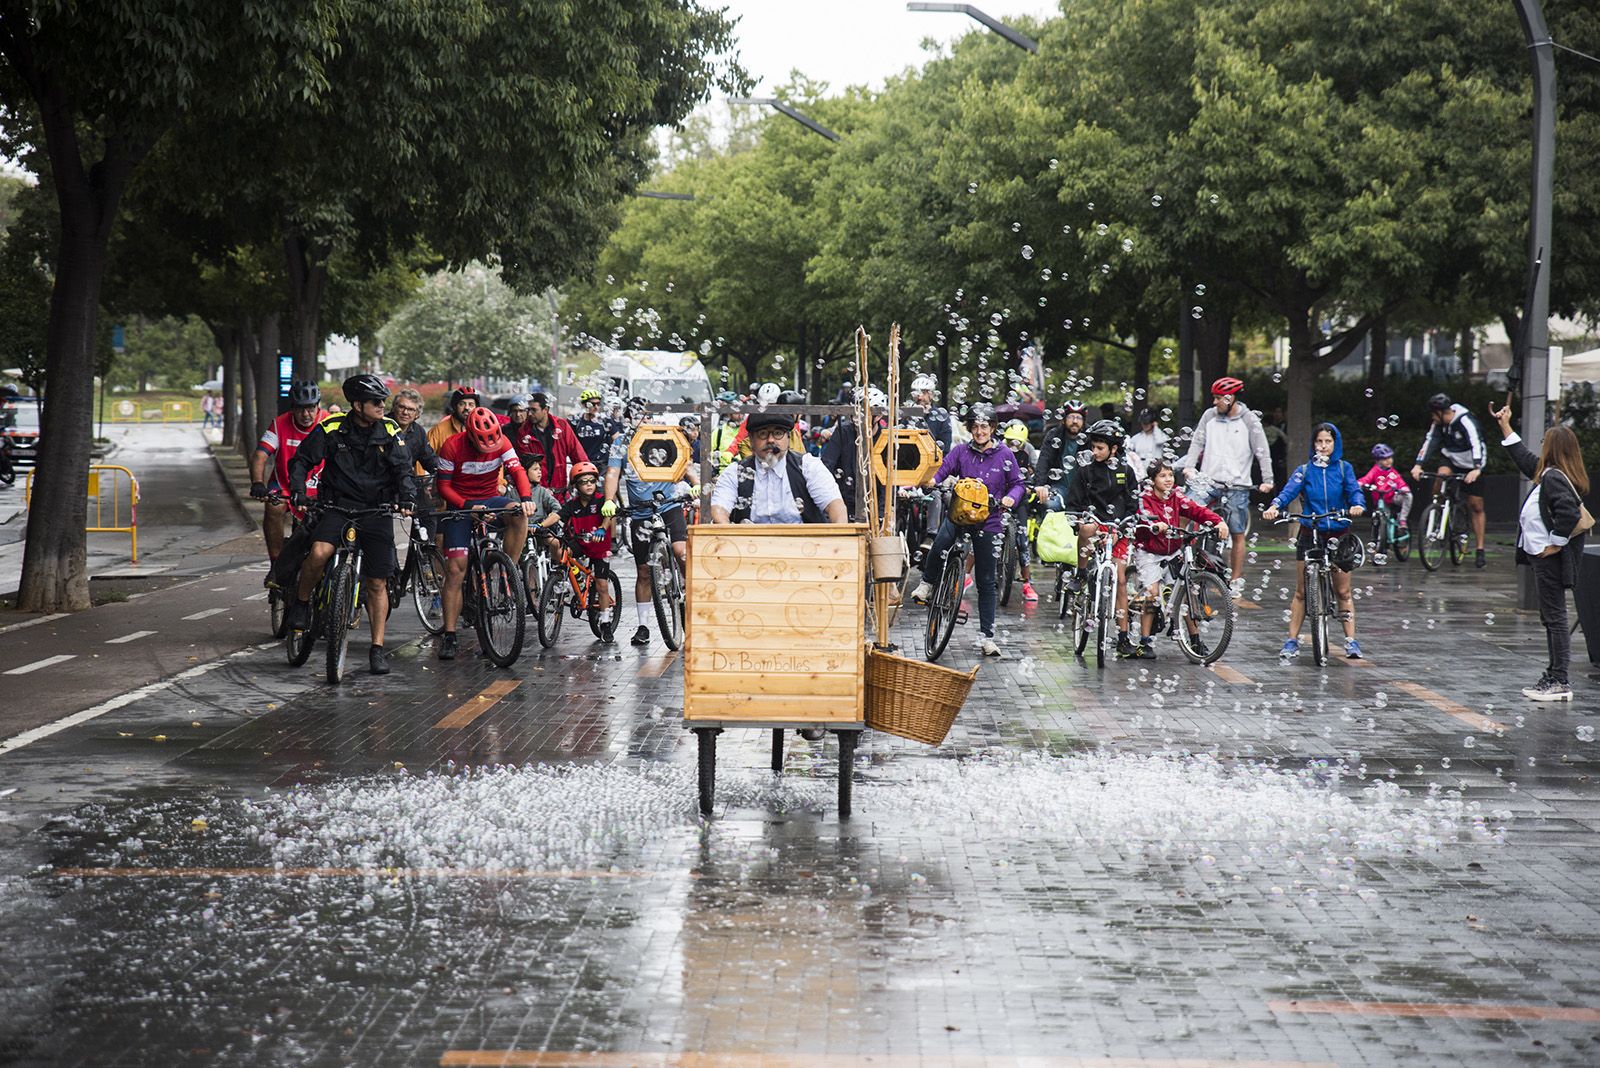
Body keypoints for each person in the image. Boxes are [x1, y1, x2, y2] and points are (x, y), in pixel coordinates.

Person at [286, 374, 415, 676]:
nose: (383, 406)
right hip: (338, 507)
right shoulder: (331, 427)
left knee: (377, 582)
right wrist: (299, 491)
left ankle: (377, 648)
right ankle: (302, 604)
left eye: (383, 401)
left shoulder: (390, 429)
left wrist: (407, 497)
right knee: (318, 553)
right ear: (357, 405)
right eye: (375, 402)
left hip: (376, 510)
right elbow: (302, 460)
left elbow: (403, 469)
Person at [1489, 398, 1591, 701]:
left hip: (1550, 557)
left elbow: (1569, 513)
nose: (1542, 446)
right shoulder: (1550, 473)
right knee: (1552, 617)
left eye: (1546, 442)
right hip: (1542, 555)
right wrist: (1505, 425)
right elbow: (1523, 458)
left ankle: (1559, 680)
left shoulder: (1556, 477)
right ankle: (1553, 675)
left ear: (1554, 448)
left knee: (1556, 617)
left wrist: (1554, 544)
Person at [909, 404, 1025, 657]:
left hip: (990, 521)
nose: (980, 431)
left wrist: (1009, 500)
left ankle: (987, 637)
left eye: (985, 426)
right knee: (940, 542)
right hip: (959, 514)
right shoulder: (961, 451)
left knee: (986, 581)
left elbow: (1017, 484)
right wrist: (933, 481)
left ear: (993, 428)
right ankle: (928, 584)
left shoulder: (1005, 454)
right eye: (975, 426)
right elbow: (943, 469)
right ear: (970, 428)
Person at [434, 407, 538, 660]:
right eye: (481, 443)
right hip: (461, 504)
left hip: (491, 498)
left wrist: (525, 498)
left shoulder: (503, 441)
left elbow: (517, 472)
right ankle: (449, 633)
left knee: (518, 513)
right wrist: (469, 507)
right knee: (456, 571)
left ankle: (507, 572)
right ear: (469, 435)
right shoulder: (451, 446)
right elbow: (443, 487)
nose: (487, 448)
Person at [1263, 422, 1366, 660]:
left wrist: (1357, 505)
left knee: (1343, 591)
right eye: (1319, 441)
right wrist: (1275, 506)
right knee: (1301, 592)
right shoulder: (1305, 470)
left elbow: (1354, 491)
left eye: (1328, 441)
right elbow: (1288, 491)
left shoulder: (1343, 468)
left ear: (1335, 443)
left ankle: (1351, 641)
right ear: (1313, 444)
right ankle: (1291, 641)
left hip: (1338, 534)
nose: (1323, 446)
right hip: (1310, 532)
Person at [603, 398, 690, 646]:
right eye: (640, 416)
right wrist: (609, 500)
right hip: (640, 513)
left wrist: (693, 486)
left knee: (680, 551)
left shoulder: (666, 437)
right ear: (629, 419)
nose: (645, 421)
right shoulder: (621, 443)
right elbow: (612, 473)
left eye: (649, 416)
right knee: (643, 571)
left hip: (669, 506)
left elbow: (686, 464)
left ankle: (686, 592)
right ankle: (643, 626)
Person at [1178, 377, 1275, 596]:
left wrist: (1268, 480)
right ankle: (1180, 559)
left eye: (1218, 398)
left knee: (1237, 532)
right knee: (1184, 509)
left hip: (1238, 485)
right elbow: (1197, 442)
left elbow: (1262, 451)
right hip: (1208, 480)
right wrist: (1190, 467)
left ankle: (1235, 580)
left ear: (1230, 398)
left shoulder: (1249, 420)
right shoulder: (1209, 417)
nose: (1214, 402)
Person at [1132, 460, 1228, 659]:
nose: (1168, 480)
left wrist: (1218, 522)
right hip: (1149, 552)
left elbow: (1196, 510)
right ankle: (1145, 642)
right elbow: (1142, 516)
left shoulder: (1176, 496)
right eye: (1162, 476)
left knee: (1186, 593)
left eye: (1170, 475)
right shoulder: (1144, 498)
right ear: (1152, 481)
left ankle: (1195, 640)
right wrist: (1155, 524)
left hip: (1173, 551)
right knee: (1152, 593)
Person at [1066, 418, 1143, 659]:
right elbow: (1074, 504)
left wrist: (1126, 523)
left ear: (1114, 449)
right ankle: (1080, 574)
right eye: (1093, 447)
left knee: (1120, 580)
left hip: (1118, 530)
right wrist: (1078, 519)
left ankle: (1122, 637)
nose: (1094, 451)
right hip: (1095, 526)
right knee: (1087, 529)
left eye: (1100, 448)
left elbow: (1133, 504)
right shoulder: (1085, 471)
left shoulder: (1126, 472)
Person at [709, 405, 847, 525]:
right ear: (750, 440)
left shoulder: (808, 467)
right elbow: (719, 510)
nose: (770, 440)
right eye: (762, 434)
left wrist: (838, 545)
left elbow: (836, 507)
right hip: (750, 550)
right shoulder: (734, 472)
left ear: (789, 437)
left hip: (807, 550)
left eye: (778, 433)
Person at [249, 379, 325, 569]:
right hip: (284, 485)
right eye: (300, 409)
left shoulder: (329, 422)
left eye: (310, 408)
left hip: (318, 488)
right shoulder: (279, 423)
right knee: (274, 508)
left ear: (318, 406)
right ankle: (276, 564)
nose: (305, 414)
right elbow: (260, 455)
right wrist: (257, 483)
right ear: (292, 408)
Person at [1412, 392, 1489, 567]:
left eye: (1433, 414)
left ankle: (1480, 549)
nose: (1432, 418)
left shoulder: (1465, 421)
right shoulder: (1438, 424)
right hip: (1451, 459)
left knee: (1476, 505)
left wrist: (1477, 469)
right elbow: (1429, 442)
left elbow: (1477, 443)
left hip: (1471, 463)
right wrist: (1418, 464)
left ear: (1442, 412)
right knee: (1441, 476)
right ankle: (1437, 509)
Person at [545, 460, 617, 639]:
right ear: (575, 485)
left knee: (601, 585)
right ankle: (575, 576)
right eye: (584, 482)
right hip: (580, 542)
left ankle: (606, 622)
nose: (589, 485)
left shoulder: (601, 501)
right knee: (560, 548)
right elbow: (557, 515)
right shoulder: (573, 504)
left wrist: (602, 528)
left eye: (592, 481)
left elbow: (609, 515)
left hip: (599, 545)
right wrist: (540, 524)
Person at [512, 391, 584, 498]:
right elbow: (524, 464)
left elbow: (578, 454)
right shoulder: (523, 432)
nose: (530, 414)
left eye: (534, 410)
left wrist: (585, 476)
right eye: (528, 409)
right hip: (537, 493)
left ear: (545, 409)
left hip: (561, 492)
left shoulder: (561, 425)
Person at [390, 388, 438, 537]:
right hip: (383, 486)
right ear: (394, 408)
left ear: (417, 415)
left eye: (411, 409)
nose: (405, 412)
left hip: (409, 484)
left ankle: (421, 556)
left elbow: (429, 459)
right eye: (402, 407)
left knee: (428, 516)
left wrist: (444, 471)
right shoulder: (381, 427)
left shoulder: (418, 432)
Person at [1001, 420, 1040, 602]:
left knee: (1023, 542)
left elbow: (1037, 470)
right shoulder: (999, 449)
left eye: (1018, 443)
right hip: (1000, 496)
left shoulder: (1030, 450)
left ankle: (1027, 583)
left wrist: (1035, 484)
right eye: (1011, 442)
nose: (1014, 446)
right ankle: (966, 577)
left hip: (1021, 497)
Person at [1034, 400, 1089, 508]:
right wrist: (1040, 485)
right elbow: (1044, 461)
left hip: (1084, 488)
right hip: (1058, 487)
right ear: (1063, 420)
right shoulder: (1054, 435)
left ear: (1084, 421)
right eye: (1070, 417)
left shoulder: (1090, 437)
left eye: (1078, 418)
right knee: (1050, 505)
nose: (1074, 421)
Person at [1357, 444, 1412, 548]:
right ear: (1377, 461)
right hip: (1381, 499)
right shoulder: (1375, 471)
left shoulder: (1392, 472)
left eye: (1390, 457)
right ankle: (1381, 540)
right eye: (1384, 459)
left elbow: (1400, 482)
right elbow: (1366, 479)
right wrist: (1359, 483)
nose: (1389, 461)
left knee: (1408, 496)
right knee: (1382, 517)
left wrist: (1404, 488)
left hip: (1392, 497)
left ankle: (1402, 519)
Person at [905, 374, 953, 453]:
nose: (919, 397)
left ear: (931, 394)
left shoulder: (941, 417)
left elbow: (945, 447)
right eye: (916, 393)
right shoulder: (907, 414)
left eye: (923, 393)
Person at [427, 386, 479, 456]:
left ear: (476, 408)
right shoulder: (439, 430)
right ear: (455, 406)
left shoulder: (483, 429)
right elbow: (423, 457)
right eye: (462, 404)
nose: (466, 407)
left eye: (471, 404)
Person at [572, 387, 614, 464]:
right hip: (582, 463)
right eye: (592, 404)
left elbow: (617, 439)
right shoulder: (576, 421)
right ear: (584, 405)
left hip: (602, 463)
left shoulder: (605, 420)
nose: (596, 407)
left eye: (598, 404)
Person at [1125, 408, 1169, 473]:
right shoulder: (1136, 438)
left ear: (1152, 423)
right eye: (1143, 423)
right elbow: (1129, 451)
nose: (1145, 425)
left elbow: (1160, 441)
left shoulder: (1160, 435)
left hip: (1156, 468)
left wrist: (1156, 427)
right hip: (1139, 468)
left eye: (1147, 423)